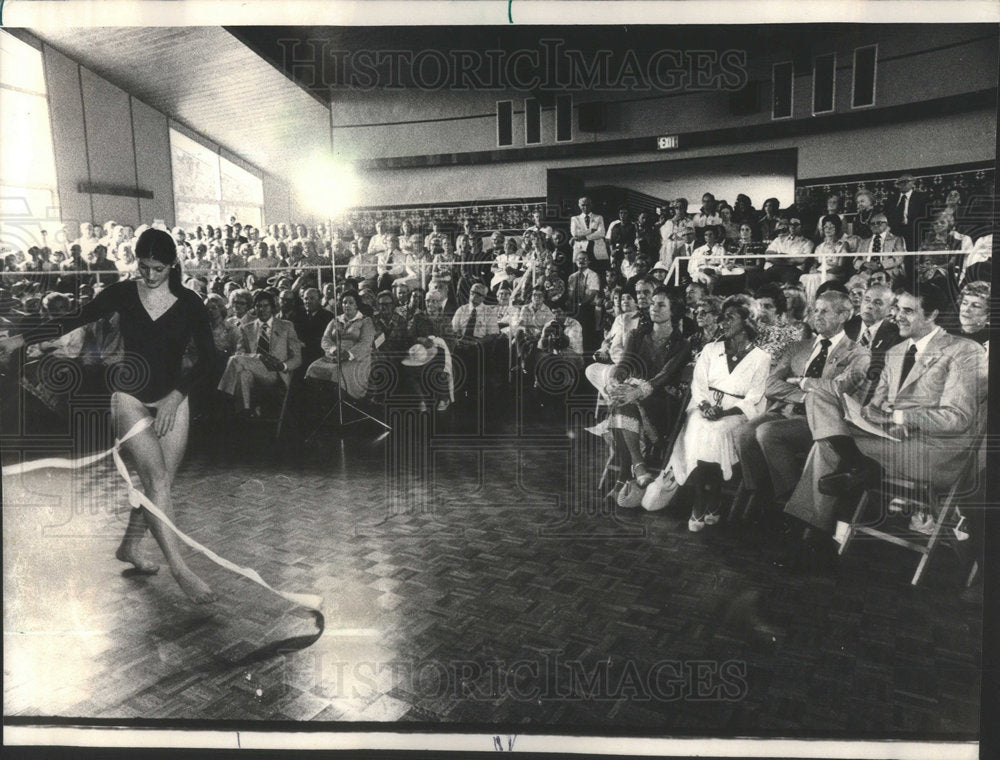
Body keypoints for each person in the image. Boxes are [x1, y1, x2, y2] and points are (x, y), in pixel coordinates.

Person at [5, 229, 217, 603]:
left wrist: (175, 396)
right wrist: (19, 340)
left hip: (172, 397)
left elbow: (208, 358)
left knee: (161, 483)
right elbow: (74, 318)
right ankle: (180, 570)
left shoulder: (190, 303)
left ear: (172, 265)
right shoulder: (122, 293)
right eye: (144, 266)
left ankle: (130, 548)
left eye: (158, 269)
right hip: (128, 396)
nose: (150, 276)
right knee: (156, 482)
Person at [778, 283, 987, 571]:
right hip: (888, 438)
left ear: (933, 314)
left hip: (932, 450)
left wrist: (899, 418)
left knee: (826, 447)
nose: (897, 316)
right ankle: (850, 469)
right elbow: (873, 407)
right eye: (897, 309)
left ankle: (815, 533)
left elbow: (957, 418)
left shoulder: (965, 351)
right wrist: (874, 414)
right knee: (818, 394)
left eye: (908, 311)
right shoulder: (896, 351)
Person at [667, 295, 770, 531]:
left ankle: (706, 497)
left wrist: (724, 413)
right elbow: (698, 385)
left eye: (730, 317)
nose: (723, 322)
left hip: (736, 412)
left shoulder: (762, 358)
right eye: (722, 317)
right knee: (701, 428)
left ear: (747, 320)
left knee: (716, 431)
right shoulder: (710, 350)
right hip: (703, 406)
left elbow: (755, 397)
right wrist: (705, 407)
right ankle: (707, 498)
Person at [604, 288, 690, 497]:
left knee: (622, 403)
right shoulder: (637, 335)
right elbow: (624, 364)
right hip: (633, 395)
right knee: (622, 400)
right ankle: (637, 466)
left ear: (674, 310)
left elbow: (664, 375)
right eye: (652, 303)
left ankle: (627, 473)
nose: (654, 308)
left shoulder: (682, 344)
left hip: (662, 402)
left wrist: (636, 391)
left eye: (661, 304)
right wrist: (614, 380)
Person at [304, 291, 376, 400]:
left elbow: (365, 343)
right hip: (333, 356)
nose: (347, 305)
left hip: (356, 358)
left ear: (357, 305)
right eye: (344, 302)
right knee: (313, 368)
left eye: (350, 302)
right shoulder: (335, 320)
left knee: (337, 373)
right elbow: (325, 339)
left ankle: (342, 404)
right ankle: (321, 403)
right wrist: (333, 350)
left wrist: (348, 354)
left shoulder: (365, 321)